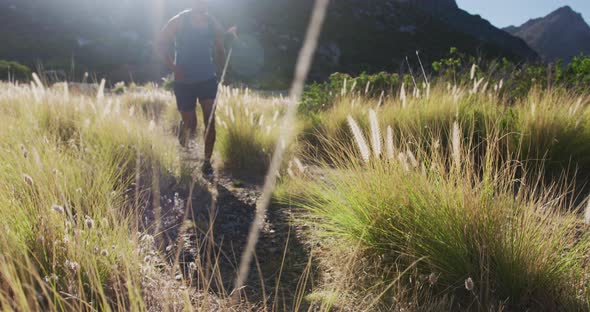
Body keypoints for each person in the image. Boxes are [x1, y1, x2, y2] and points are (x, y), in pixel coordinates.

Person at [155, 0, 230, 175]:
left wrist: (224, 73)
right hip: (184, 82)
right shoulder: (179, 21)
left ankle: (206, 162)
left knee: (210, 122)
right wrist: (174, 68)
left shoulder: (213, 23)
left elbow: (220, 50)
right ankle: (183, 128)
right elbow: (160, 43)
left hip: (207, 79)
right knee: (191, 125)